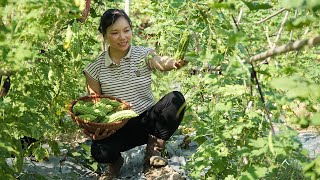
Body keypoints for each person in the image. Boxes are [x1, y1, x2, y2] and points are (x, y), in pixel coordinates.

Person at [82, 8, 188, 179]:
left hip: (149, 122)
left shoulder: (143, 54)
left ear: (131, 29)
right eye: (115, 32)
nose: (122, 37)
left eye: (126, 30)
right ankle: (115, 163)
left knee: (176, 99)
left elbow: (160, 62)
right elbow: (96, 105)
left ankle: (153, 153)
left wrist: (174, 63)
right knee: (99, 151)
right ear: (104, 35)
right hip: (118, 127)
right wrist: (95, 127)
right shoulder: (94, 69)